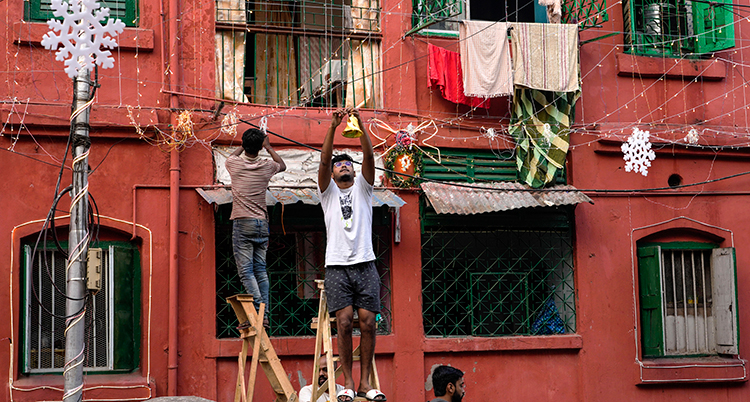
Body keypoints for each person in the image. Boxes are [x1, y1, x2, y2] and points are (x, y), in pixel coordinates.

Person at [317, 109, 385, 402]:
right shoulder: (327, 192)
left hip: (365, 263)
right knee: (344, 323)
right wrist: (333, 128)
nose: (344, 166)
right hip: (336, 266)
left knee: (368, 322)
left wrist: (363, 130)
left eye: (348, 164)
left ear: (354, 171)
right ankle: (347, 381)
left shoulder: (364, 189)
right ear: (333, 174)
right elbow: (323, 160)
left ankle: (366, 383)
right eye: (339, 165)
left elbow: (369, 160)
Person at [226, 127, 286, 325]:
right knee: (260, 270)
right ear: (261, 147)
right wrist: (268, 147)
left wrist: (243, 146)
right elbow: (282, 165)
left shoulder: (234, 164)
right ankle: (265, 314)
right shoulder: (267, 166)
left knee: (246, 272)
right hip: (262, 223)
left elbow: (231, 157)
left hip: (243, 222)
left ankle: (259, 312)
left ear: (244, 145)